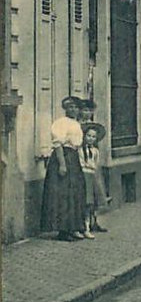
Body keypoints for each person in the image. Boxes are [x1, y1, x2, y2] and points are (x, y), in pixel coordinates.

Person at [40, 96, 86, 241]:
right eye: (70, 107)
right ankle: (63, 230)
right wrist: (62, 164)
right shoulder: (60, 123)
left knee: (74, 193)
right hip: (63, 157)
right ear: (65, 108)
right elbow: (58, 144)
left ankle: (72, 227)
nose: (73, 110)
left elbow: (76, 145)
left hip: (73, 158)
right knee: (63, 194)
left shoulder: (76, 124)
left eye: (76, 107)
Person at [79, 122, 110, 238]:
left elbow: (95, 165)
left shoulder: (95, 151)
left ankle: (89, 225)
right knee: (84, 202)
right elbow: (82, 163)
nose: (91, 139)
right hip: (83, 175)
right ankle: (83, 227)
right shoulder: (80, 150)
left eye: (93, 137)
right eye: (88, 136)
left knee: (91, 203)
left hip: (92, 176)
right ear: (84, 136)